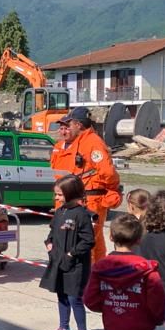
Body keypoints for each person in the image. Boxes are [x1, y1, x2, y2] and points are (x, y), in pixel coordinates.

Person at [51, 107, 121, 264]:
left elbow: (108, 172)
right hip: (77, 199)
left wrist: (112, 188)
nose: (67, 128)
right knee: (93, 241)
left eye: (69, 124)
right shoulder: (78, 142)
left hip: (90, 200)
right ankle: (97, 271)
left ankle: (87, 274)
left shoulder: (93, 143)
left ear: (78, 125)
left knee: (85, 241)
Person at [41, 174, 96, 330]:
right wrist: (49, 244)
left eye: (59, 194)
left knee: (74, 298)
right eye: (55, 194)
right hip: (58, 261)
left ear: (70, 193)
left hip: (75, 265)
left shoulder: (81, 214)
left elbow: (88, 241)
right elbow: (52, 232)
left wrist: (72, 254)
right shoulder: (59, 212)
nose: (56, 197)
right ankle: (63, 328)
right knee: (61, 295)